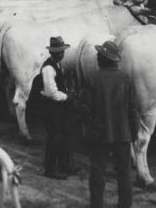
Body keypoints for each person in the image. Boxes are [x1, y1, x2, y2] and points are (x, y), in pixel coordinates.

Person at [81, 41, 139, 208]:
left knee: (97, 173)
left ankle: (97, 205)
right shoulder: (125, 79)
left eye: (99, 55)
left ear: (102, 59)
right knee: (124, 174)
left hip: (99, 135)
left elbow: (86, 109)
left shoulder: (92, 78)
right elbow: (132, 110)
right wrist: (133, 133)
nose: (97, 57)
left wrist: (89, 129)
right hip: (123, 135)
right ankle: (125, 205)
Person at [41, 36, 75, 180]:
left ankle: (64, 165)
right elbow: (51, 93)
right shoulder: (49, 68)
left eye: (62, 51)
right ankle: (50, 169)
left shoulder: (57, 65)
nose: (60, 54)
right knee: (54, 137)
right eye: (57, 52)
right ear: (51, 53)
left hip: (58, 108)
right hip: (52, 108)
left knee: (61, 135)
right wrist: (68, 97)